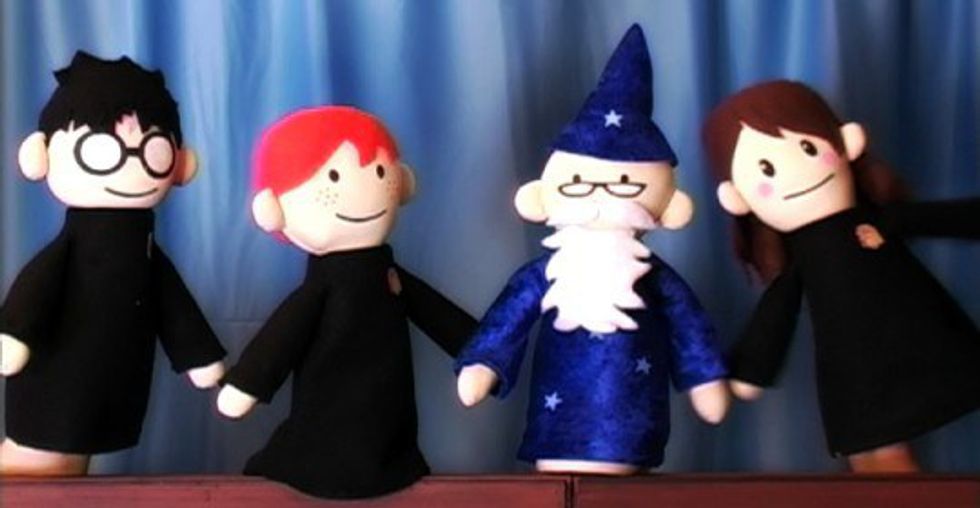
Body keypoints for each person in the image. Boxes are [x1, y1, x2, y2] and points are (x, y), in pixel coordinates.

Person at [455, 25, 728, 475]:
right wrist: (484, 363)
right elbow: (508, 318)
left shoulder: (655, 279)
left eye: (624, 184)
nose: (600, 194)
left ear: (671, 206)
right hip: (555, 424)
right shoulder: (546, 274)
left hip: (633, 425)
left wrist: (705, 378)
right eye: (580, 183)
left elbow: (689, 326)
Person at [703, 80, 980, 472]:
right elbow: (776, 313)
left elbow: (941, 218)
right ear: (737, 197)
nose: (795, 175)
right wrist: (752, 367)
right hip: (854, 376)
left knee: (887, 457)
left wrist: (752, 372)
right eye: (766, 170)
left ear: (847, 143)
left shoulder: (879, 222)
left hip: (916, 349)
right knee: (869, 453)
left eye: (808, 148)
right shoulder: (804, 258)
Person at [217, 106, 476, 499]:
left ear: (401, 182)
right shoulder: (323, 287)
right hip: (323, 432)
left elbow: (437, 314)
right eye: (333, 177)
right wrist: (248, 383)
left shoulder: (390, 276)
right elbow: (282, 338)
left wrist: (483, 351)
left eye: (380, 171)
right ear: (274, 208)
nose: (372, 185)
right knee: (325, 436)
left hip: (392, 437)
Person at [0, 51, 227, 476]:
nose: (130, 160)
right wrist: (14, 332)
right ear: (40, 157)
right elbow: (38, 285)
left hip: (115, 376)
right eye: (101, 150)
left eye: (152, 150)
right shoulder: (73, 248)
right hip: (56, 373)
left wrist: (197, 354)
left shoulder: (146, 252)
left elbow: (173, 306)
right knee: (45, 449)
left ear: (180, 163)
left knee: (78, 451)